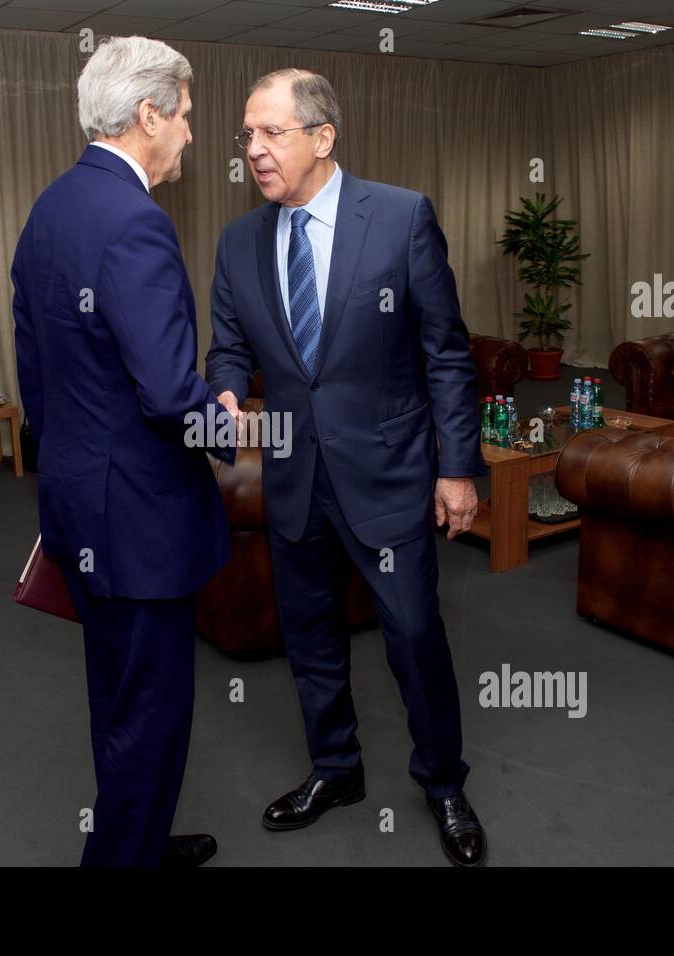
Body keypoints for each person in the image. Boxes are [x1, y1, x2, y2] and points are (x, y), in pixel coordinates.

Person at [205, 70, 490, 866]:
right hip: (292, 476)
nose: (253, 152)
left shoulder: (400, 217)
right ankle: (336, 769)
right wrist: (226, 390)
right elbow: (229, 345)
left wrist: (458, 467)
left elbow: (446, 354)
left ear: (322, 138)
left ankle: (442, 783)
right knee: (312, 640)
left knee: (412, 634)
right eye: (246, 136)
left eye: (270, 134)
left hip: (390, 473)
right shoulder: (237, 242)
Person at [12, 36, 235, 868]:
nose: (189, 136)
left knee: (116, 700)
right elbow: (173, 397)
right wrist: (231, 426)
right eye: (184, 117)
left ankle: (132, 841)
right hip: (139, 518)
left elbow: (37, 373)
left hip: (77, 501)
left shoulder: (53, 206)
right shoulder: (136, 222)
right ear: (150, 115)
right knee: (153, 715)